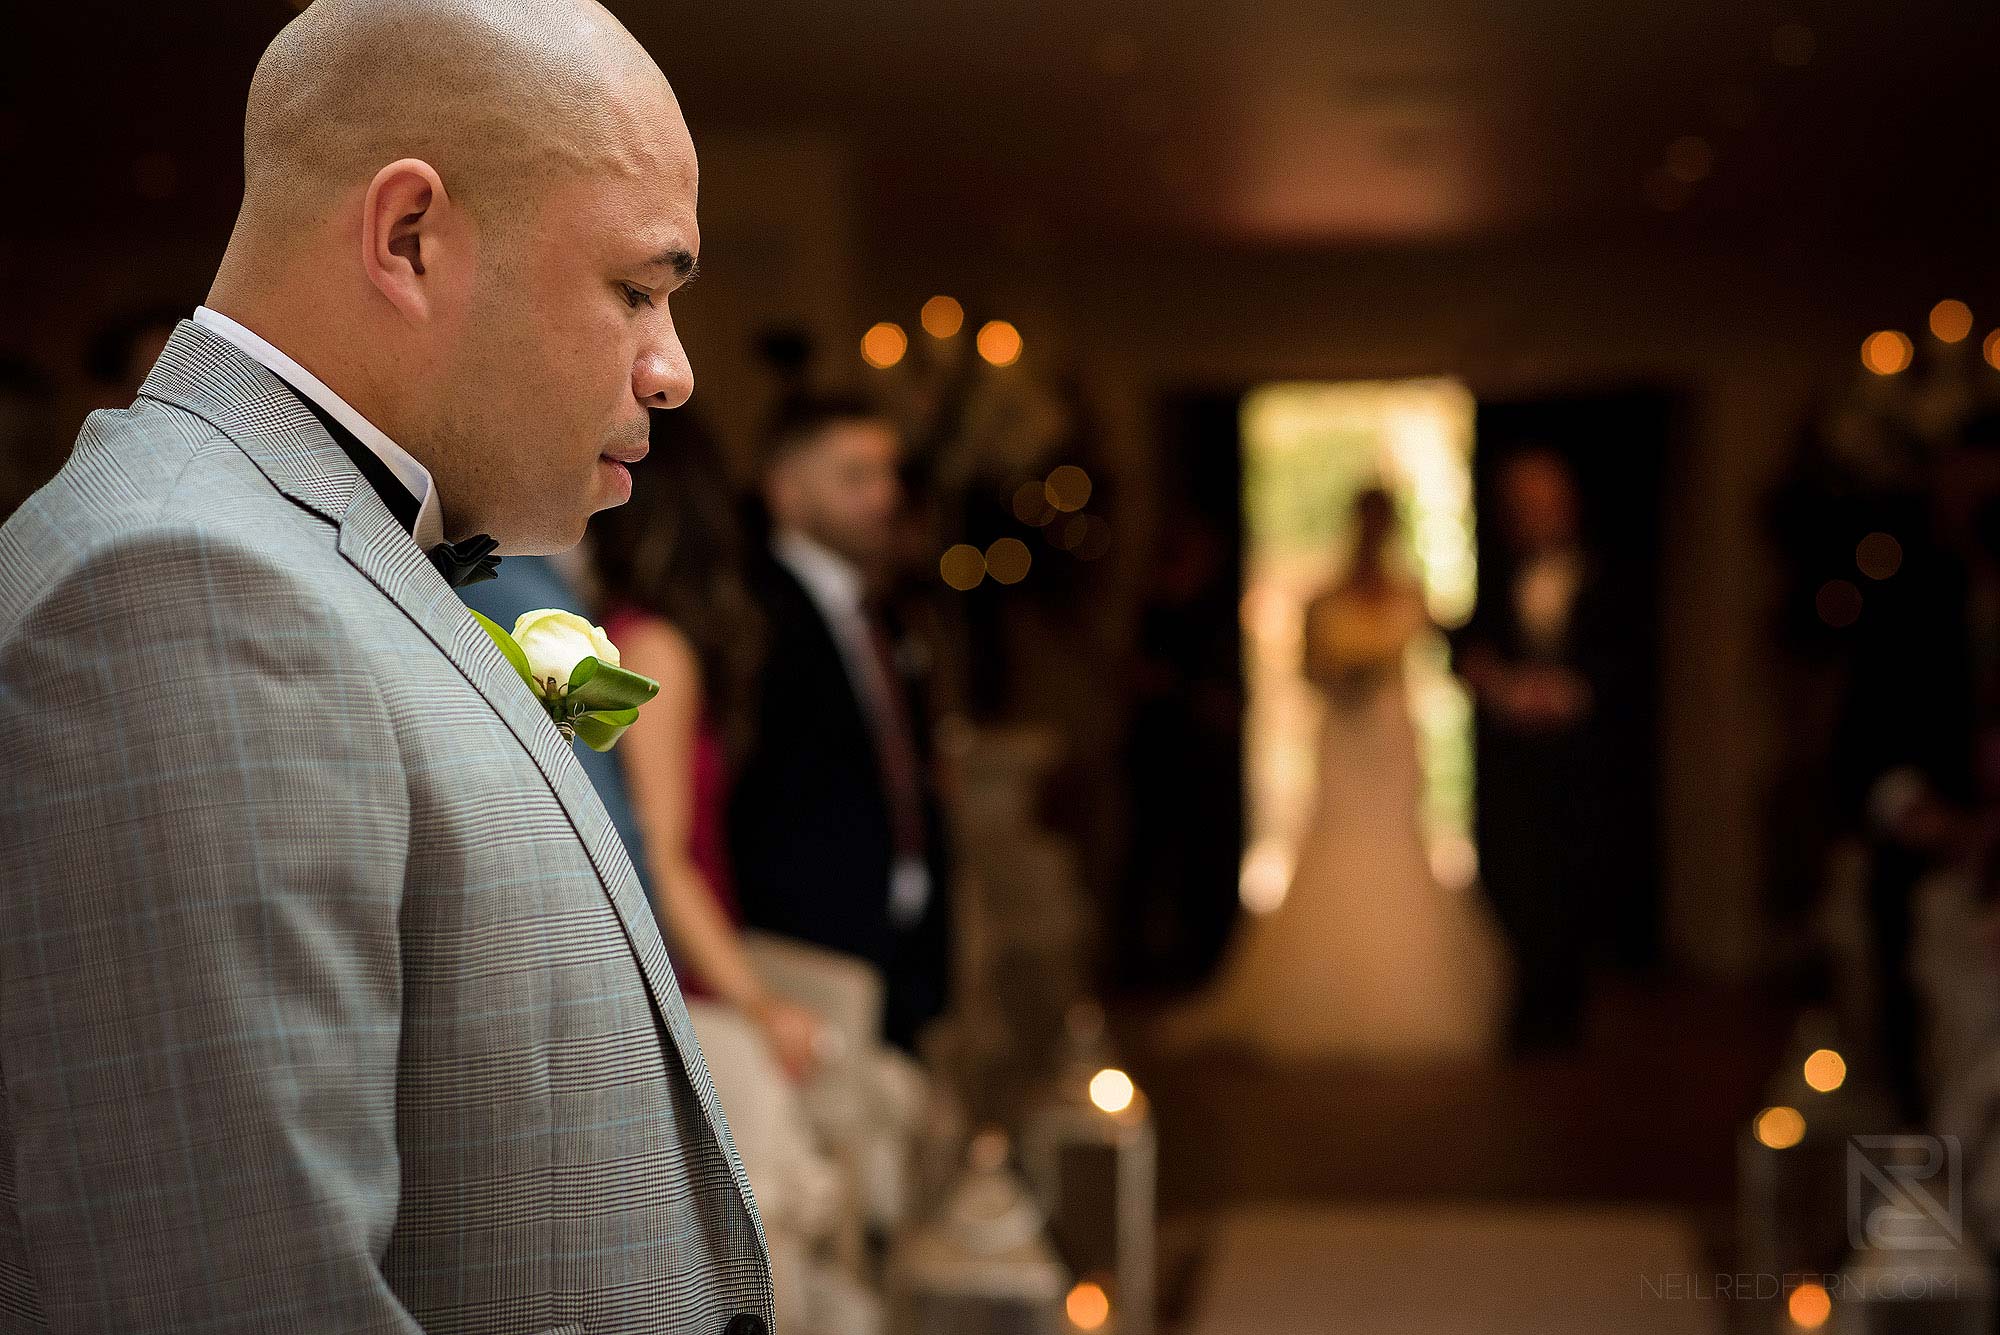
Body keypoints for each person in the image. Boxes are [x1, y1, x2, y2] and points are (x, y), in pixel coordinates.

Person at [0, 3, 772, 1332]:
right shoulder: (183, 586)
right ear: (410, 237)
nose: (673, 369)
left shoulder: (296, 545)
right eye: (638, 289)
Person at [1168, 487, 1502, 1061]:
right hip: (1345, 744)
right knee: (1337, 845)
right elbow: (1307, 672)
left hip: (1392, 740)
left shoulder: (1409, 594)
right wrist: (1346, 681)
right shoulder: (1323, 597)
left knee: (1395, 848)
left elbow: (1448, 661)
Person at [589, 408, 826, 1082]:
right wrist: (757, 1003)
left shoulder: (626, 630)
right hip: (690, 977)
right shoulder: (654, 645)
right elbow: (659, 857)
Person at [728, 394, 953, 1053]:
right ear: (787, 490)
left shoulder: (881, 608)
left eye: (889, 475)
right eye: (855, 477)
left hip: (895, 941)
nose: (884, 496)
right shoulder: (752, 615)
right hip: (803, 949)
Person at [1455, 449, 1623, 1057]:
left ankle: (1564, 1013)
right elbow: (1471, 649)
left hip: (1578, 765)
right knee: (1514, 878)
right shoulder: (1494, 578)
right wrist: (1496, 685)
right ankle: (1525, 1008)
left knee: (1572, 879)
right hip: (1512, 765)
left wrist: (1568, 695)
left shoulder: (1605, 576)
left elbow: (1620, 666)